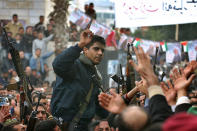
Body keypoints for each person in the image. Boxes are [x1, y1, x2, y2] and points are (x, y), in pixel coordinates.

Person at [51, 29, 108, 130]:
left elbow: (98, 106)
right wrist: (79, 45)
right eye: (96, 49)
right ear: (85, 50)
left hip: (83, 126)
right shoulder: (74, 65)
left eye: (102, 50)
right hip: (64, 125)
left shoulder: (94, 74)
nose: (100, 53)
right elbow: (58, 65)